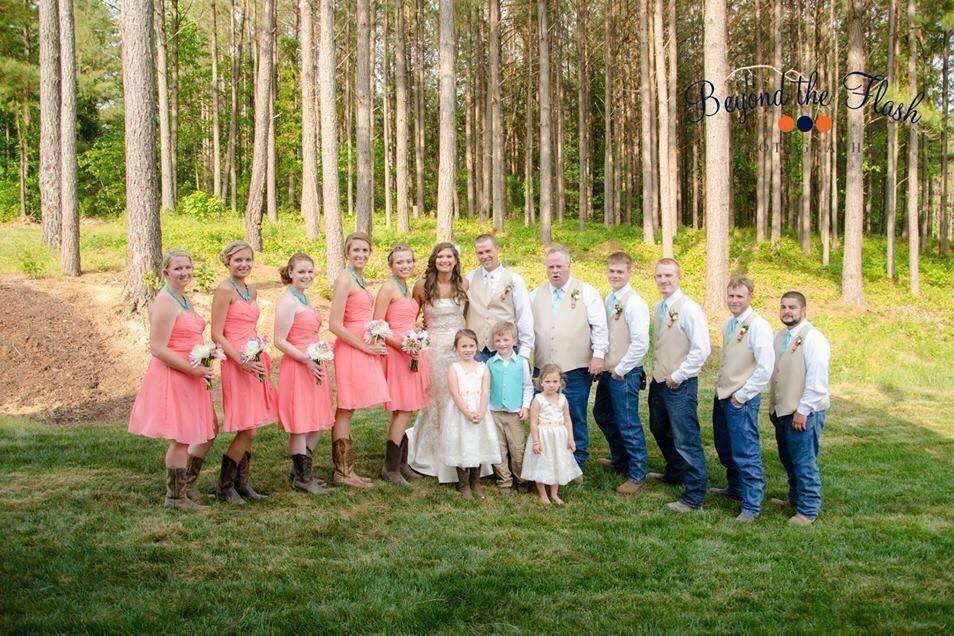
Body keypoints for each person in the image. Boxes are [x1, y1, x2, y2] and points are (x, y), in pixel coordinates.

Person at [129, 249, 217, 510]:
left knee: (207, 429)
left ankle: (187, 487)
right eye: (178, 268)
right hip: (175, 374)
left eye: (188, 268)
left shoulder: (182, 298)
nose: (185, 273)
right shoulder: (165, 301)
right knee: (181, 436)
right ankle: (175, 498)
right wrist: (193, 369)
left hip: (192, 374)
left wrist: (205, 355)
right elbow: (157, 347)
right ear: (166, 272)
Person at [405, 243, 491, 485]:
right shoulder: (422, 286)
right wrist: (418, 333)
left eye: (449, 256)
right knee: (436, 401)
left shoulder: (463, 284)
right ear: (434, 259)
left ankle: (465, 452)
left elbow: (467, 315)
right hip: (433, 351)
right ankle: (431, 455)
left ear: (455, 260)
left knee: (459, 398)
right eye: (441, 256)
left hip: (457, 350)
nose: (445, 260)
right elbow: (410, 318)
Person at [530, 245, 608, 471]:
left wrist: (598, 355)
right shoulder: (535, 294)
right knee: (544, 414)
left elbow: (600, 326)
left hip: (575, 367)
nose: (555, 271)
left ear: (568, 266)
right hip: (544, 368)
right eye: (551, 267)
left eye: (559, 266)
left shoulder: (586, 292)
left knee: (573, 412)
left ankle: (577, 460)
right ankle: (546, 458)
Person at [211, 240, 278, 505]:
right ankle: (224, 486)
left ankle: (242, 483)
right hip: (236, 362)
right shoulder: (224, 290)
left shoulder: (251, 290)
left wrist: (258, 351)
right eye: (238, 260)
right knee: (247, 429)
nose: (244, 265)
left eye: (248, 260)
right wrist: (240, 360)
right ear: (228, 262)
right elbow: (217, 333)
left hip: (254, 360)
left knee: (254, 425)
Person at [647, 258, 711, 512]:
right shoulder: (659, 307)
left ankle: (694, 495)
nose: (664, 280)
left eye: (669, 276)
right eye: (659, 276)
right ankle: (675, 470)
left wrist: (680, 374)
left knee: (686, 438)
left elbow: (701, 349)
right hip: (659, 380)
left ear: (679, 277)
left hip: (679, 384)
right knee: (658, 428)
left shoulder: (689, 309)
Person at [329, 232, 390, 489]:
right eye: (356, 250)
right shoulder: (344, 279)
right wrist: (364, 347)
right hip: (351, 349)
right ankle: (342, 472)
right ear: (347, 253)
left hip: (362, 346)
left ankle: (347, 469)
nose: (361, 255)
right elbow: (334, 324)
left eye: (365, 250)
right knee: (345, 407)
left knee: (349, 408)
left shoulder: (358, 278)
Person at [710, 276, 774, 522]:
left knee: (745, 451)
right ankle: (735, 489)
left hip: (740, 398)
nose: (734, 300)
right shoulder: (728, 324)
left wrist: (742, 395)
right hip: (723, 393)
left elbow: (765, 367)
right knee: (725, 446)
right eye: (731, 296)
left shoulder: (759, 326)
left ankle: (751, 504)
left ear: (750, 297)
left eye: (739, 296)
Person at [769, 291, 831, 526]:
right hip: (783, 410)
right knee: (788, 458)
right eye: (783, 306)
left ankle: (808, 509)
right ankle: (794, 498)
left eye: (792, 307)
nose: (787, 311)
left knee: (804, 461)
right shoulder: (780, 336)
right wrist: (773, 406)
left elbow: (817, 381)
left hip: (804, 413)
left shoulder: (814, 339)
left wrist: (803, 410)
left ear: (803, 310)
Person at [592, 252, 651, 495]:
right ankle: (620, 458)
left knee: (627, 422)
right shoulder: (609, 299)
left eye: (620, 272)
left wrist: (621, 369)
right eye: (612, 271)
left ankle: (637, 475)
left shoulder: (634, 303)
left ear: (629, 273)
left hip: (624, 372)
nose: (615, 275)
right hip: (608, 370)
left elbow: (640, 343)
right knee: (603, 414)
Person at [274, 253, 333, 495]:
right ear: (290, 273)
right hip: (298, 367)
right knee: (300, 423)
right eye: (301, 272)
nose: (306, 276)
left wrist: (319, 353)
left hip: (314, 364)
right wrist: (305, 358)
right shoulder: (287, 301)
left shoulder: (304, 297)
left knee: (317, 420)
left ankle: (300, 471)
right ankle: (303, 478)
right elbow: (279, 340)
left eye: (310, 271)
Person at [373, 244, 430, 486]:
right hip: (397, 353)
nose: (405, 266)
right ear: (391, 265)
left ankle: (402, 463)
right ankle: (391, 467)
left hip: (411, 351)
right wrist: (401, 345)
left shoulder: (407, 287)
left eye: (408, 261)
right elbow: (377, 325)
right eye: (399, 262)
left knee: (406, 409)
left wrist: (417, 334)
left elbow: (408, 317)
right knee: (403, 408)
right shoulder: (388, 287)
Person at [441, 329, 501, 500]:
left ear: (476, 347)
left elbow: (484, 391)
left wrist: (481, 411)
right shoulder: (454, 368)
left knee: (478, 443)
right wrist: (466, 412)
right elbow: (454, 393)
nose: (468, 349)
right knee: (463, 443)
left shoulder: (482, 367)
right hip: (461, 413)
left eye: (471, 346)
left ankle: (475, 482)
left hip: (479, 411)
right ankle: (464, 484)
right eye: (463, 346)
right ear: (456, 348)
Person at [464, 234, 534, 362]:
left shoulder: (515, 280)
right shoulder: (470, 277)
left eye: (488, 251)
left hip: (505, 349)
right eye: (480, 253)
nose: (484, 256)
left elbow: (524, 316)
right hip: (476, 350)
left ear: (497, 249)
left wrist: (525, 352)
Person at [520, 363, 583, 505]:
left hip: (559, 436)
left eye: (555, 381)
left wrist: (570, 438)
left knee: (556, 463)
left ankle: (554, 493)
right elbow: (533, 422)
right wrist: (536, 442)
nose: (551, 385)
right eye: (547, 381)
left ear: (560, 383)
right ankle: (543, 494)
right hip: (543, 437)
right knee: (542, 463)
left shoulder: (562, 399)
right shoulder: (538, 400)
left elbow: (568, 420)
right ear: (541, 382)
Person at [485, 321, 533, 496]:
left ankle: (522, 479)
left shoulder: (521, 362)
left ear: (514, 341)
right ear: (493, 342)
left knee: (517, 448)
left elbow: (527, 386)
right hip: (495, 411)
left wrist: (525, 407)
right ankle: (504, 480)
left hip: (514, 413)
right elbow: (487, 388)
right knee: (499, 448)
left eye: (506, 340)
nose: (502, 344)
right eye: (498, 340)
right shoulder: (490, 363)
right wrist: (486, 409)